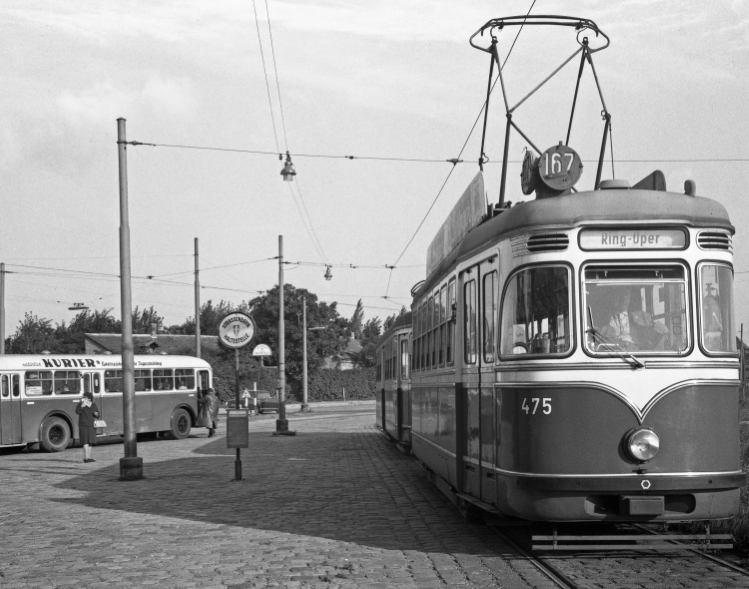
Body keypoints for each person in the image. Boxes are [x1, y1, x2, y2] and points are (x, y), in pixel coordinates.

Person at [599, 287, 669, 351]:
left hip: (638, 354)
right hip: (611, 354)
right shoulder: (601, 318)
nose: (623, 298)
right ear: (612, 297)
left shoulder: (643, 316)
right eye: (619, 294)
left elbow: (659, 330)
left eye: (626, 294)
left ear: (630, 297)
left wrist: (661, 327)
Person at [75, 392, 100, 463]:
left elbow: (98, 415)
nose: (83, 399)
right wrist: (82, 406)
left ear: (89, 398)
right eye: (83, 398)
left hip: (91, 425)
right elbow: (77, 412)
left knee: (91, 441)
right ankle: (86, 457)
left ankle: (89, 457)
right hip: (83, 425)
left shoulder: (94, 405)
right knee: (85, 441)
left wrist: (97, 414)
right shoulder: (80, 405)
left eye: (85, 398)